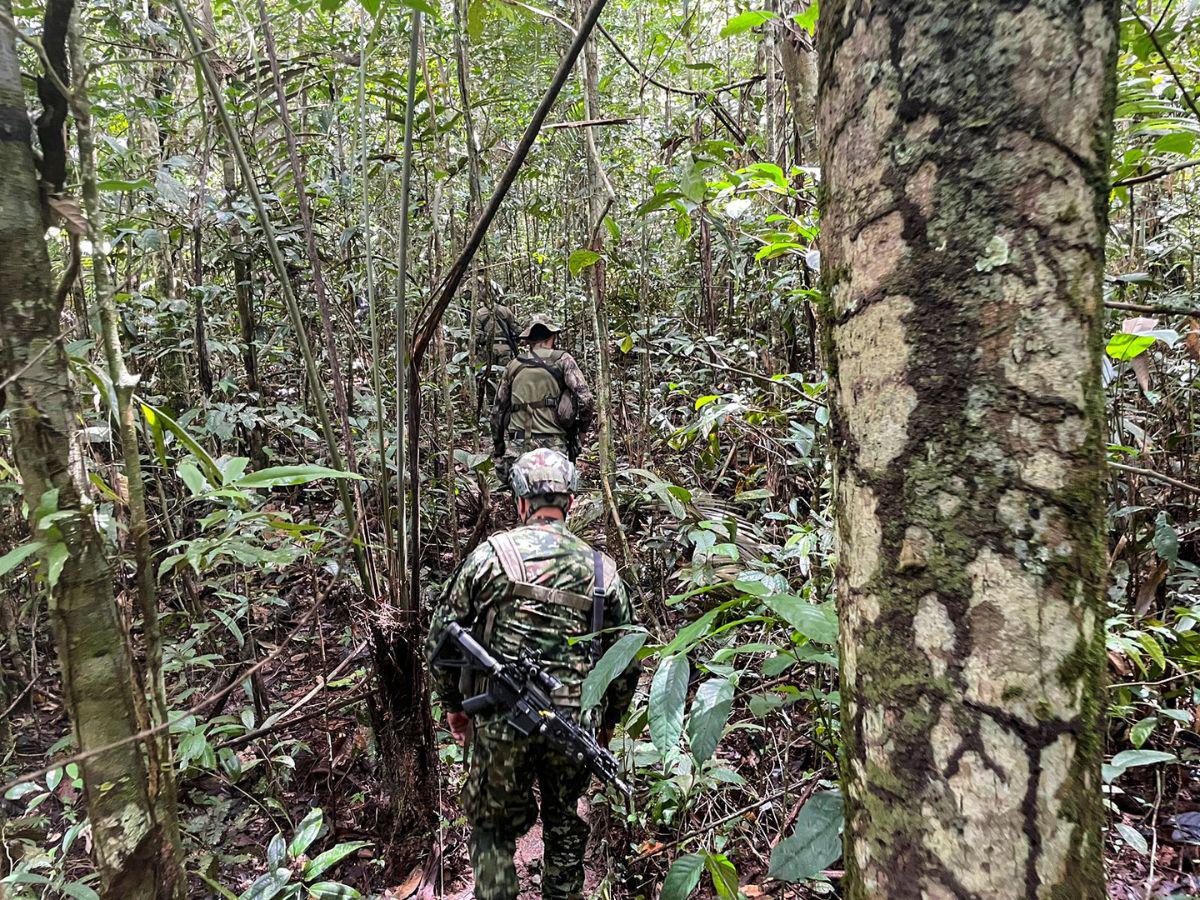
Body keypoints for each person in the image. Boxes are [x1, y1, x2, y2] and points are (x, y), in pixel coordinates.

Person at [426, 449, 638, 900]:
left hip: (502, 727)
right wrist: (608, 721)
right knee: (565, 828)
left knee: (492, 827)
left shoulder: (489, 557)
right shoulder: (603, 572)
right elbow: (626, 659)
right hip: (573, 724)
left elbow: (440, 639)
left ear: (520, 502)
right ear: (571, 503)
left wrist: (453, 709)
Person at [491, 316, 594, 479]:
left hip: (518, 446)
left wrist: (498, 448)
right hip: (555, 446)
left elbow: (498, 411)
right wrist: (582, 432)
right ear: (552, 336)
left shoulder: (513, 365)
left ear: (528, 340)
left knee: (514, 489)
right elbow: (586, 399)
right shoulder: (563, 360)